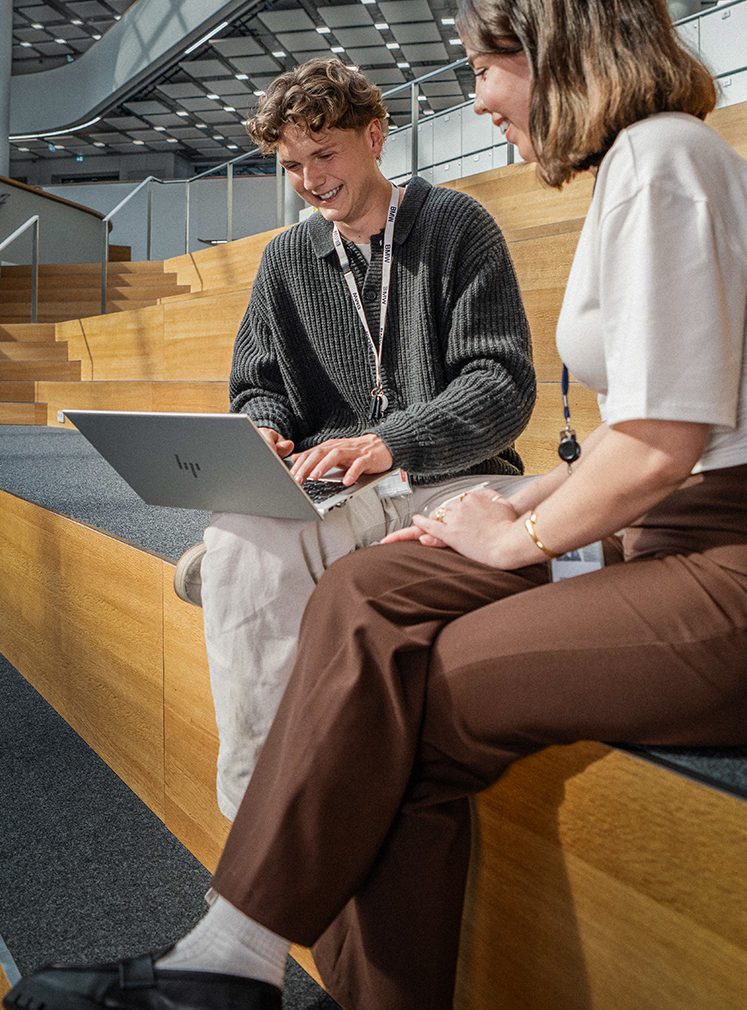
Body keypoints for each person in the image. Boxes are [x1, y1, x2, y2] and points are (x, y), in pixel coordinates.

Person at [5, 0, 747, 1010]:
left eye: (484, 70)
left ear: (553, 50)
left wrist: (516, 527)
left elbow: (661, 443)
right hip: (671, 536)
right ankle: (236, 957)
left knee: (399, 692)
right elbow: (630, 439)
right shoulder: (633, 170)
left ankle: (233, 964)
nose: (480, 102)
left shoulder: (664, 162)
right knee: (368, 591)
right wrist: (518, 502)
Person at [176, 56, 540, 819]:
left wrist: (393, 441)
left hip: (453, 477)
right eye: (292, 165)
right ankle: (260, 819)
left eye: (324, 152)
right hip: (338, 488)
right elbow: (259, 384)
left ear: (374, 135)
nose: (310, 179)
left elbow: (501, 388)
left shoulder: (457, 226)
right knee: (242, 528)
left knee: (244, 555)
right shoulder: (284, 259)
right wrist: (266, 427)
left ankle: (225, 574)